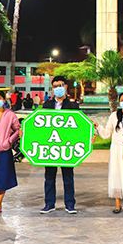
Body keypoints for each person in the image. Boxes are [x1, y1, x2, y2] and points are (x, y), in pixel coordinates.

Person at [40, 77, 79, 214]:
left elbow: (79, 126)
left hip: (66, 147)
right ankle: (49, 204)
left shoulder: (73, 106)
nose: (58, 88)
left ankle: (70, 204)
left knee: (68, 177)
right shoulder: (47, 105)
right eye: (55, 86)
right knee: (49, 176)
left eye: (60, 85)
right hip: (51, 147)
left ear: (66, 87)